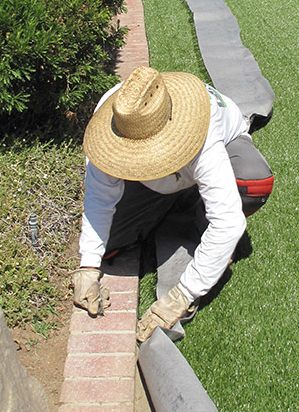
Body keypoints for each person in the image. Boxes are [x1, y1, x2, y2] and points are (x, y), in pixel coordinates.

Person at [72, 66, 273, 342]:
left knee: (253, 183)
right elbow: (99, 196)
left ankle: (200, 210)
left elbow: (229, 221)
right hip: (167, 177)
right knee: (110, 243)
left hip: (226, 148)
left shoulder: (201, 128)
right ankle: (182, 197)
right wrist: (88, 267)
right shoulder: (117, 119)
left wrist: (182, 295)